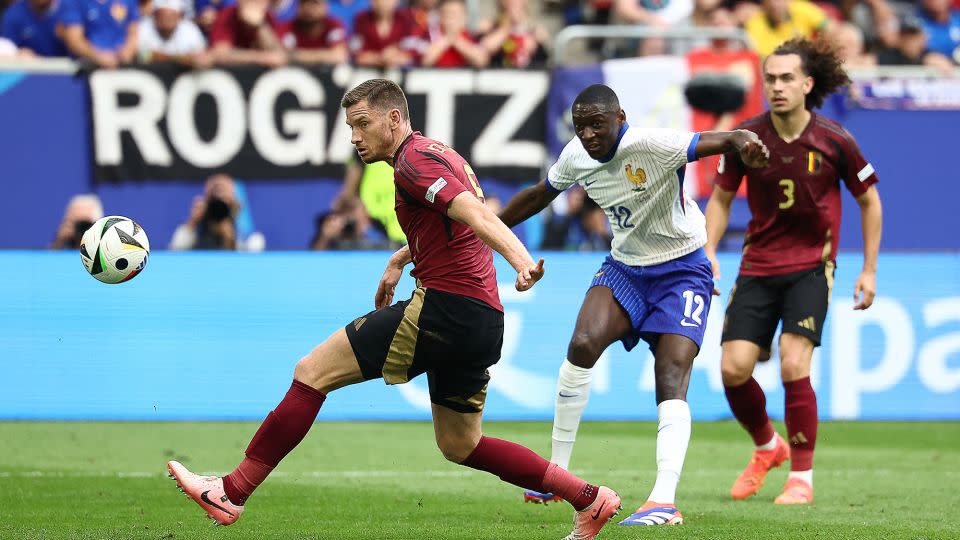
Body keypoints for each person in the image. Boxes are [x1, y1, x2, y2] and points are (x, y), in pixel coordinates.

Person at [166, 78, 624, 540]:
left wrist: (521, 261)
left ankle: (232, 491)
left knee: (312, 372)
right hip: (484, 319)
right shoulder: (437, 153)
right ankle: (590, 499)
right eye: (349, 127)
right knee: (460, 443)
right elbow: (451, 222)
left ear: (393, 118)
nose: (354, 137)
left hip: (445, 309)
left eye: (362, 124)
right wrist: (400, 257)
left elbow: (479, 216)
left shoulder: (413, 162)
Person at [497, 83, 770, 526]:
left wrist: (744, 141)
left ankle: (663, 500)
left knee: (670, 373)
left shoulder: (653, 144)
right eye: (580, 125)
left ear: (619, 118)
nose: (587, 134)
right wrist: (484, 226)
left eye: (596, 124)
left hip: (682, 269)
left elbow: (720, 140)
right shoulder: (575, 156)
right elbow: (537, 194)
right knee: (582, 344)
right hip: (625, 267)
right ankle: (556, 473)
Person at [704, 38, 883, 506]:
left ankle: (802, 477)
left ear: (807, 84)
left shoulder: (834, 139)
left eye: (787, 78)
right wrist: (709, 250)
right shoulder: (745, 138)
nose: (777, 87)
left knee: (791, 362)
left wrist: (868, 269)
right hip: (757, 266)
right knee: (733, 369)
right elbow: (720, 198)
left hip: (810, 266)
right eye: (770, 78)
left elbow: (869, 201)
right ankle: (768, 447)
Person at [169, 174, 241, 250]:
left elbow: (246, 255)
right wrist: (192, 223)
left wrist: (230, 238)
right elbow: (174, 253)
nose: (219, 208)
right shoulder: (200, 221)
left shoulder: (243, 226)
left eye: (224, 192)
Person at [60, 0, 140, 68]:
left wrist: (127, 52)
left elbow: (133, 32)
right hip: (87, 69)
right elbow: (74, 40)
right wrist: (98, 57)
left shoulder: (128, 1)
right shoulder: (74, 2)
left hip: (123, 67)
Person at [209, 0, 288, 67]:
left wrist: (260, 26)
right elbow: (221, 53)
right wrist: (261, 58)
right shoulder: (227, 16)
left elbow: (280, 56)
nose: (254, 2)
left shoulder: (269, 18)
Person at [743, 0, 831, 57]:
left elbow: (831, 28)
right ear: (763, 3)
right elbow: (760, 56)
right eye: (770, 1)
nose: (775, 4)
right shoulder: (754, 23)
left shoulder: (801, 9)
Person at [350, 0, 421, 68]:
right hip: (368, 73)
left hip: (398, 73)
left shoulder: (406, 20)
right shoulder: (362, 20)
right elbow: (355, 51)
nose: (384, 3)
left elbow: (415, 48)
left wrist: (401, 54)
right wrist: (377, 58)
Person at [139, 0, 210, 66]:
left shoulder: (190, 29)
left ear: (179, 16)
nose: (166, 19)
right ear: (155, 15)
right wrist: (178, 58)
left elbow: (200, 57)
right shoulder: (144, 27)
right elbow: (143, 56)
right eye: (163, 15)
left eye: (171, 15)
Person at [420, 0, 488, 68]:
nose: (452, 18)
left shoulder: (470, 35)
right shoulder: (431, 34)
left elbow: (481, 61)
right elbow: (426, 62)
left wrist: (456, 40)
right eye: (448, 14)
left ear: (464, 16)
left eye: (456, 14)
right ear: (441, 16)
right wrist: (447, 39)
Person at [287, 0, 348, 64]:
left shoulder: (333, 25)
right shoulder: (289, 27)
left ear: (325, 7)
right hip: (297, 70)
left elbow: (339, 56)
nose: (308, 7)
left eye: (314, 3)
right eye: (303, 2)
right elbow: (280, 56)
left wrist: (296, 55)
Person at [1, 0, 68, 57]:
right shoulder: (14, 14)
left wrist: (68, 38)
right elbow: (7, 49)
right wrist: (17, 53)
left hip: (67, 68)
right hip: (28, 68)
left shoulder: (69, 10)